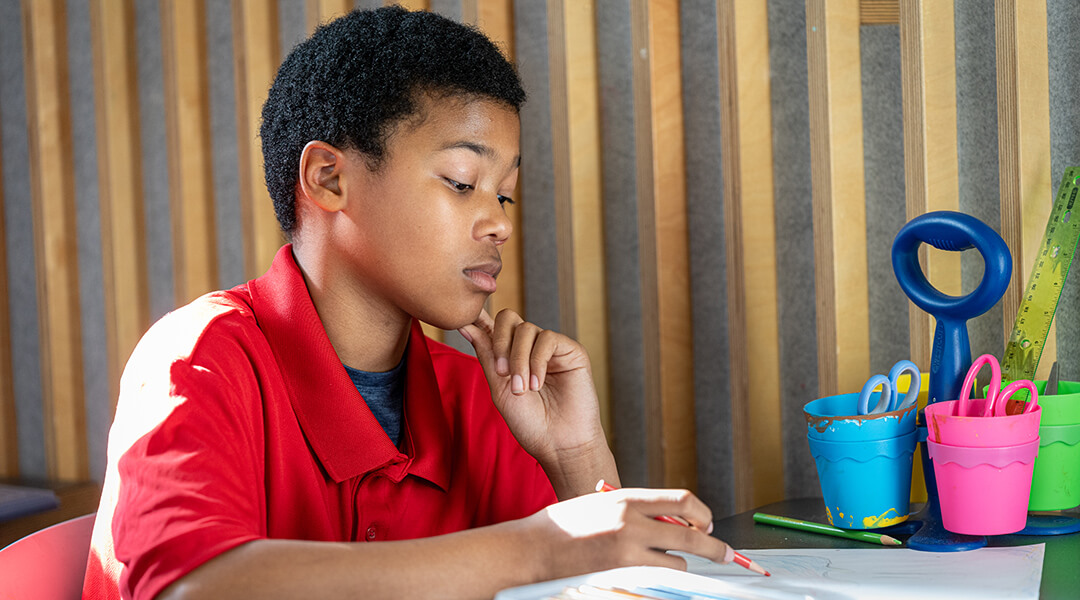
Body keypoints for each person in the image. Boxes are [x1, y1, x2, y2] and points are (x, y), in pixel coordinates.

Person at [82, 6, 732, 599]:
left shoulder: (480, 394)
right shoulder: (199, 358)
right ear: (329, 178)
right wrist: (540, 549)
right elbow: (192, 590)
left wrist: (575, 459)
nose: (499, 224)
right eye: (461, 182)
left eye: (502, 195)